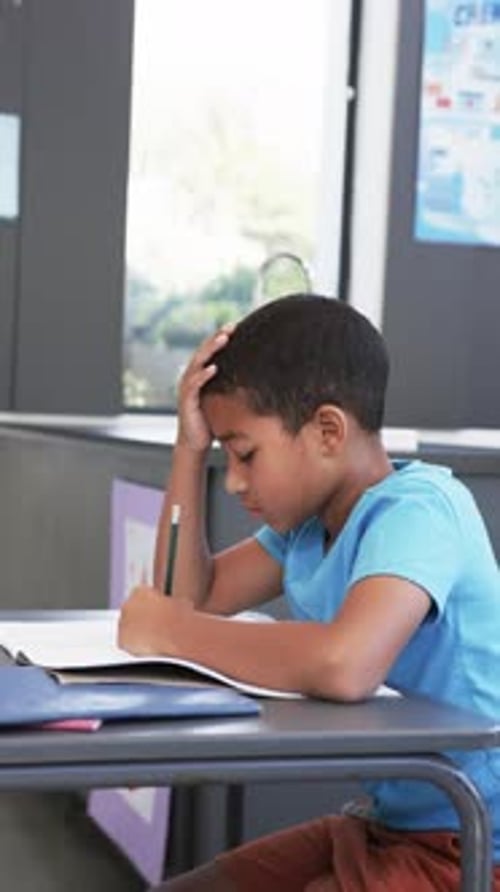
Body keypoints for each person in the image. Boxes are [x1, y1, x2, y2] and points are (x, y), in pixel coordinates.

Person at [118, 294, 500, 892]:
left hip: (473, 843)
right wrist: (189, 450)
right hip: (393, 827)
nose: (237, 480)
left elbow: (345, 663)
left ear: (327, 430)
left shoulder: (421, 511)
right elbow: (192, 594)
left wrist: (170, 630)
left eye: (244, 454)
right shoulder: (307, 528)